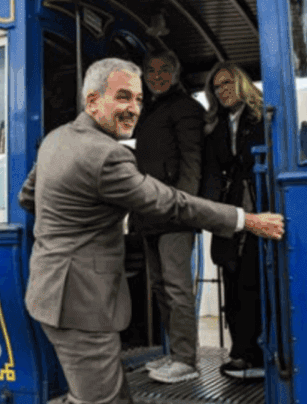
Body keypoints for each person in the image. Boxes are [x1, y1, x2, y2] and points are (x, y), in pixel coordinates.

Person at [19, 57, 284, 404]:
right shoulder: (105, 155)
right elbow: (174, 203)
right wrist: (247, 220)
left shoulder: (56, 139)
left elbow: (28, 197)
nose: (134, 109)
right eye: (123, 97)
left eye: (139, 100)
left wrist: (78, 220)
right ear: (93, 101)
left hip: (52, 290)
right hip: (81, 302)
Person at [131, 51, 206, 384]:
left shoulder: (186, 108)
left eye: (164, 70)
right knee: (161, 286)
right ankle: (174, 353)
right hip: (149, 212)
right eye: (151, 70)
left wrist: (183, 204)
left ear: (176, 73)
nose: (156, 75)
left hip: (174, 212)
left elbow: (193, 161)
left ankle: (186, 359)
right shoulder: (149, 111)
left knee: (177, 288)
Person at [200, 61, 266, 380]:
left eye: (227, 83)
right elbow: (212, 172)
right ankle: (240, 352)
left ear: (240, 83)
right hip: (230, 213)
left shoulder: (262, 117)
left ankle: (255, 351)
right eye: (216, 87)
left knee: (255, 278)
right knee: (232, 280)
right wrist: (209, 212)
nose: (222, 91)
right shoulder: (216, 127)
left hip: (259, 208)